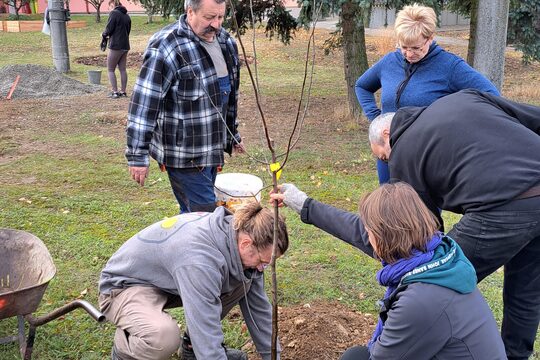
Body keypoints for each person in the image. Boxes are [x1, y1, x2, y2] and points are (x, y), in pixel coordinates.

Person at [366, 89, 540, 360]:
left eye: (384, 157)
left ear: (387, 135)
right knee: (526, 289)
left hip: (503, 206)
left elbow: (421, 234)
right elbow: (533, 118)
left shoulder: (403, 151)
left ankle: (401, 343)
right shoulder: (466, 98)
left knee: (436, 276)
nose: (388, 163)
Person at [270, 182, 506, 359]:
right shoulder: (434, 253)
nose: (366, 236)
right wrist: (304, 204)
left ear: (385, 238)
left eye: (369, 231)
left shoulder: (421, 300)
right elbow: (354, 230)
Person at [98, 201, 289, 360]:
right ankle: (125, 350)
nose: (261, 268)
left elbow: (259, 310)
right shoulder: (200, 261)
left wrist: (273, 356)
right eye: (263, 262)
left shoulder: (241, 239)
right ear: (246, 244)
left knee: (243, 281)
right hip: (123, 286)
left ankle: (191, 349)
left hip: (167, 280)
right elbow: (206, 334)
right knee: (163, 337)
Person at [355, 3, 499, 184]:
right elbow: (362, 86)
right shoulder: (390, 61)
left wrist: (456, 126)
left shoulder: (450, 67)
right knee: (388, 208)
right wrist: (376, 118)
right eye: (403, 46)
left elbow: (491, 95)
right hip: (390, 155)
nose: (408, 54)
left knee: (425, 212)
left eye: (416, 48)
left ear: (430, 38)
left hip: (427, 159)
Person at [126, 0, 245, 213]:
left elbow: (227, 97)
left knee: (193, 218)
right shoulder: (167, 46)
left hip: (212, 149)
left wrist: (232, 134)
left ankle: (182, 244)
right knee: (206, 218)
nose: (217, 25)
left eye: (220, 17)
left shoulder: (226, 42)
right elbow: (144, 104)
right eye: (209, 18)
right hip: (184, 155)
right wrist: (137, 156)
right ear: (190, 12)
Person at [102, 3, 131, 99]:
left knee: (110, 69)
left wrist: (104, 34)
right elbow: (128, 31)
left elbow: (109, 28)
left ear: (115, 7)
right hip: (125, 45)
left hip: (116, 46)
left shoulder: (114, 13)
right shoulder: (127, 16)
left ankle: (115, 92)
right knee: (122, 69)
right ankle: (123, 92)